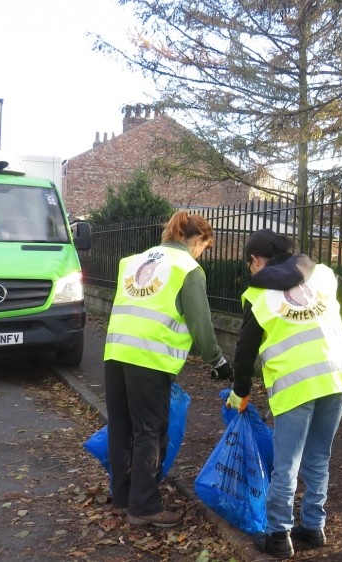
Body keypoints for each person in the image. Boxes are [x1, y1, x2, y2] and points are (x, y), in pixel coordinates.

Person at [229, 229, 342, 559]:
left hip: (296, 382)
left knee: (287, 463)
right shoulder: (323, 274)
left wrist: (240, 392)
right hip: (336, 373)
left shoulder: (257, 293)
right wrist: (326, 331)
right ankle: (313, 527)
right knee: (318, 456)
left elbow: (245, 350)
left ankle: (278, 534)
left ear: (255, 260)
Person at [104, 211, 233, 527]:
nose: (203, 252)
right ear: (198, 239)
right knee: (149, 431)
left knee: (121, 428)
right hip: (150, 358)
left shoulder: (133, 261)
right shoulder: (187, 268)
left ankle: (122, 500)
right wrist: (217, 361)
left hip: (115, 351)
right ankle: (144, 507)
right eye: (205, 245)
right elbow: (200, 323)